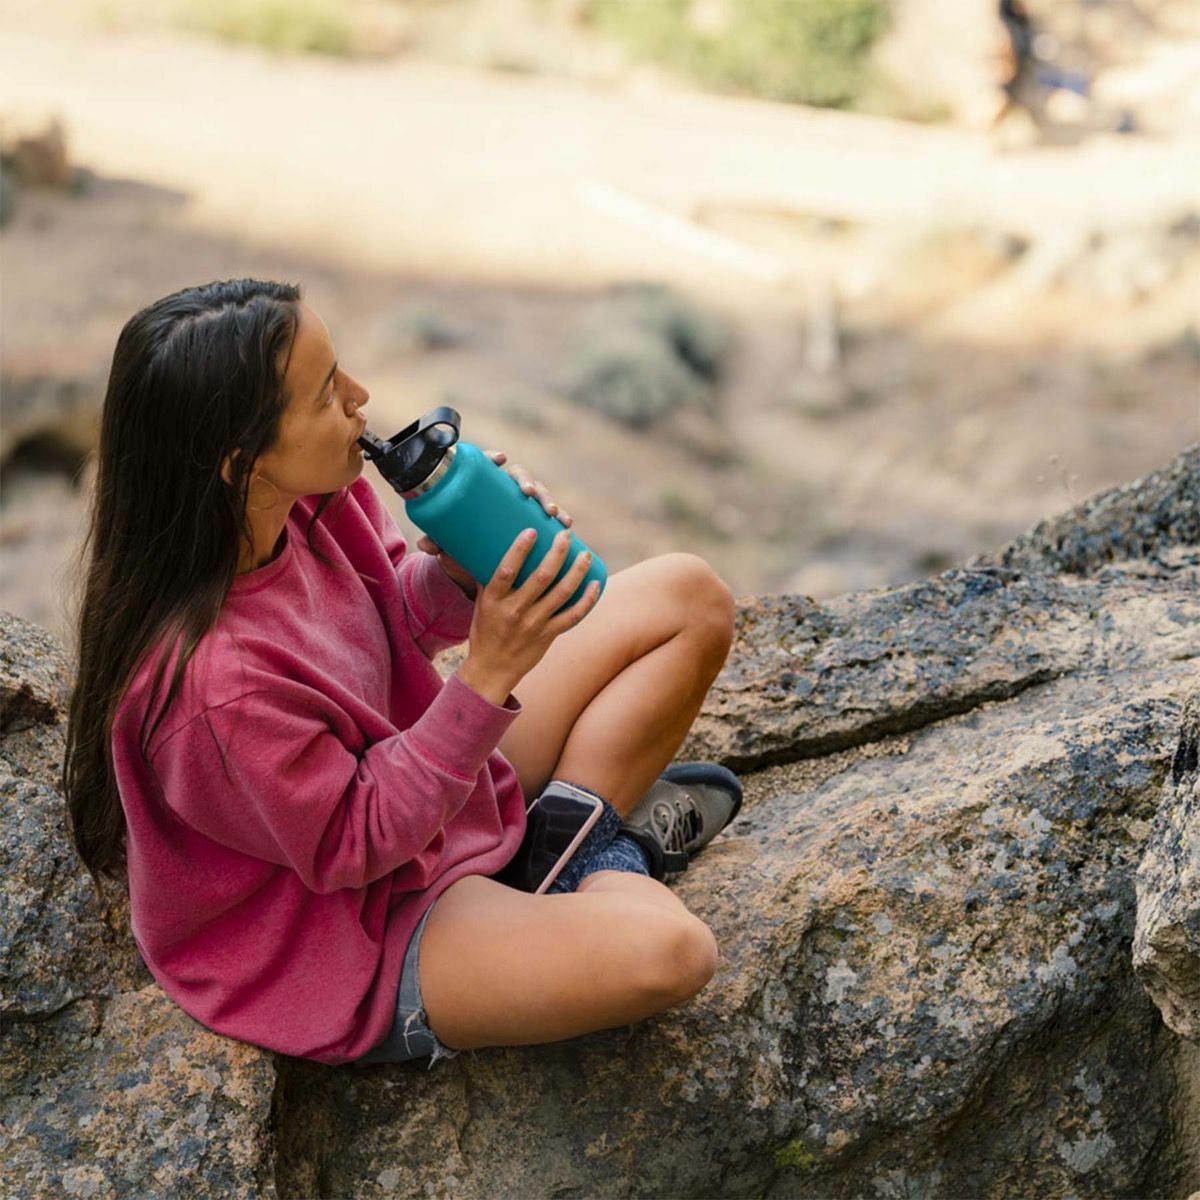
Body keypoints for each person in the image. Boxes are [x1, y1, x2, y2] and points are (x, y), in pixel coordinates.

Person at [62, 278, 743, 1068]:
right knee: (669, 952)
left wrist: (467, 569)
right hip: (357, 925)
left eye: (341, 371)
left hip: (428, 785)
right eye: (326, 395)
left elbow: (394, 618)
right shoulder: (214, 686)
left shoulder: (313, 500)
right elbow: (357, 840)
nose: (360, 398)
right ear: (242, 465)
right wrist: (489, 672)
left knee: (687, 596)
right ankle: (602, 850)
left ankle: (570, 854)